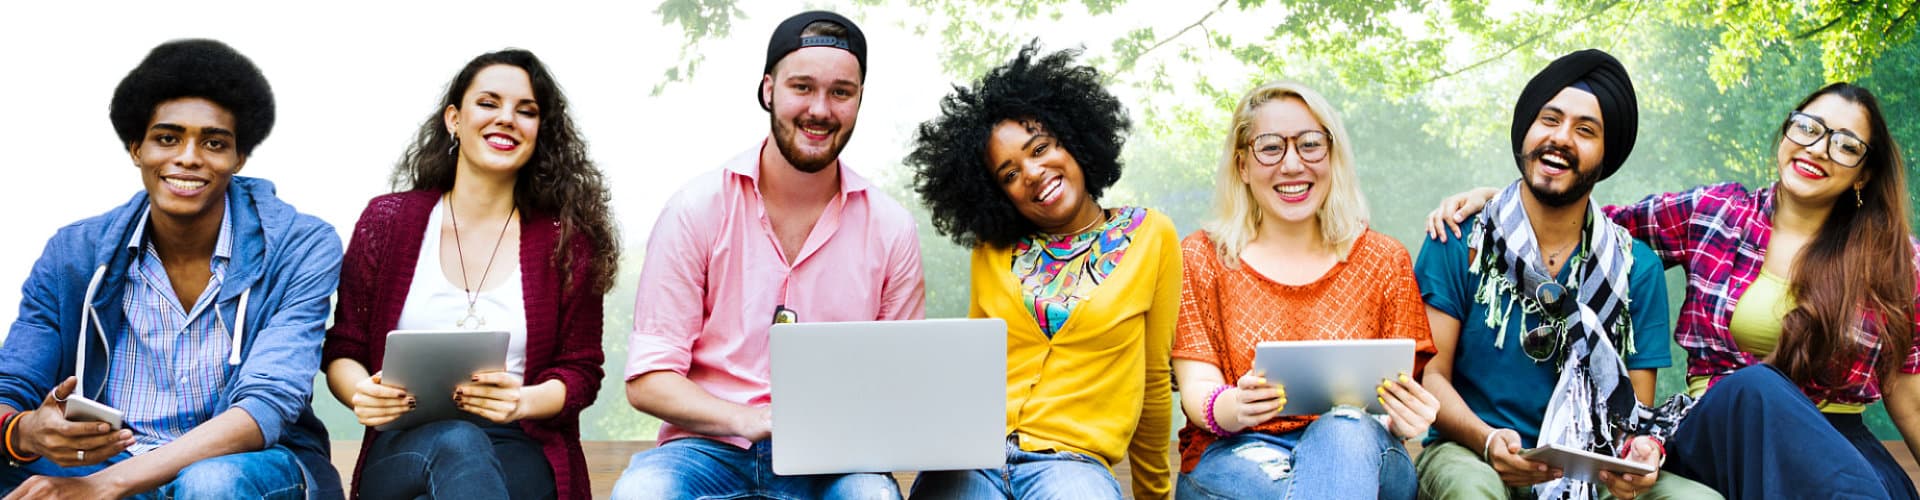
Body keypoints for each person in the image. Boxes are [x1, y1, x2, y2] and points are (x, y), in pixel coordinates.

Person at [1427, 82, 1920, 499]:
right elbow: (1586, 225)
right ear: (1788, 132)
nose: (1816, 149)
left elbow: (1909, 395)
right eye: (1808, 128)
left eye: (1846, 145)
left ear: (1866, 171)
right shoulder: (1714, 214)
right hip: (1721, 425)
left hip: (1838, 443)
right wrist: (1501, 202)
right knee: (1759, 387)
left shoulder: (1898, 262)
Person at [0, 39, 343, 499]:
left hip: (242, 466)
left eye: (214, 143)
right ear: (136, 148)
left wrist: (107, 485)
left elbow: (268, 404)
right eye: (167, 138)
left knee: (210, 483)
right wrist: (24, 433)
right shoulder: (75, 252)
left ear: (239, 159)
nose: (188, 157)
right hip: (114, 455)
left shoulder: (299, 245)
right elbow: (12, 384)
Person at [611, 10, 925, 500]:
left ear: (859, 100)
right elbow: (648, 380)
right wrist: (749, 419)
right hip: (706, 448)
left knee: (874, 496)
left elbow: (902, 379)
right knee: (642, 493)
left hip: (834, 458)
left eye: (841, 92)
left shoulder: (892, 228)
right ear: (767, 91)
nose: (820, 109)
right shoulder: (695, 209)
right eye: (802, 86)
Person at [1410, 49, 1717, 499]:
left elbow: (1632, 414)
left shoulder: (1636, 268)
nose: (1561, 139)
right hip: (1472, 451)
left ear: (1606, 154)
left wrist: (1641, 453)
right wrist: (1489, 440)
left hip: (1589, 468)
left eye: (1585, 130)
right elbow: (1429, 377)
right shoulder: (1460, 241)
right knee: (1472, 491)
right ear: (1526, 131)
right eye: (1549, 120)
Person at [321, 49, 616, 500]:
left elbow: (581, 370)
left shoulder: (567, 241)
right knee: (459, 443)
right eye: (489, 103)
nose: (507, 119)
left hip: (519, 440)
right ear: (454, 119)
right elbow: (345, 348)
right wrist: (362, 391)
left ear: (541, 131)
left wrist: (522, 400)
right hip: (403, 445)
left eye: (527, 110)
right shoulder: (387, 222)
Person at [904, 41, 1175, 500]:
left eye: (1041, 148)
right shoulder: (991, 252)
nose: (1031, 172)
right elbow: (971, 371)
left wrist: (1154, 495)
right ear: (997, 194)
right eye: (1008, 174)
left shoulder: (1151, 236)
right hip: (972, 461)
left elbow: (1152, 380)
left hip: (1071, 464)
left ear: (1074, 139)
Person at [1169, 81, 1440, 499]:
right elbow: (1197, 388)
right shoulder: (1201, 257)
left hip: (1360, 449)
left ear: (1332, 156)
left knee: (1343, 429)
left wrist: (1405, 420)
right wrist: (1233, 407)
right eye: (1271, 147)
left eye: (1310, 144)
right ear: (1242, 165)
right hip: (1235, 453)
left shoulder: (1385, 260)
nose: (1293, 165)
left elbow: (1394, 404)